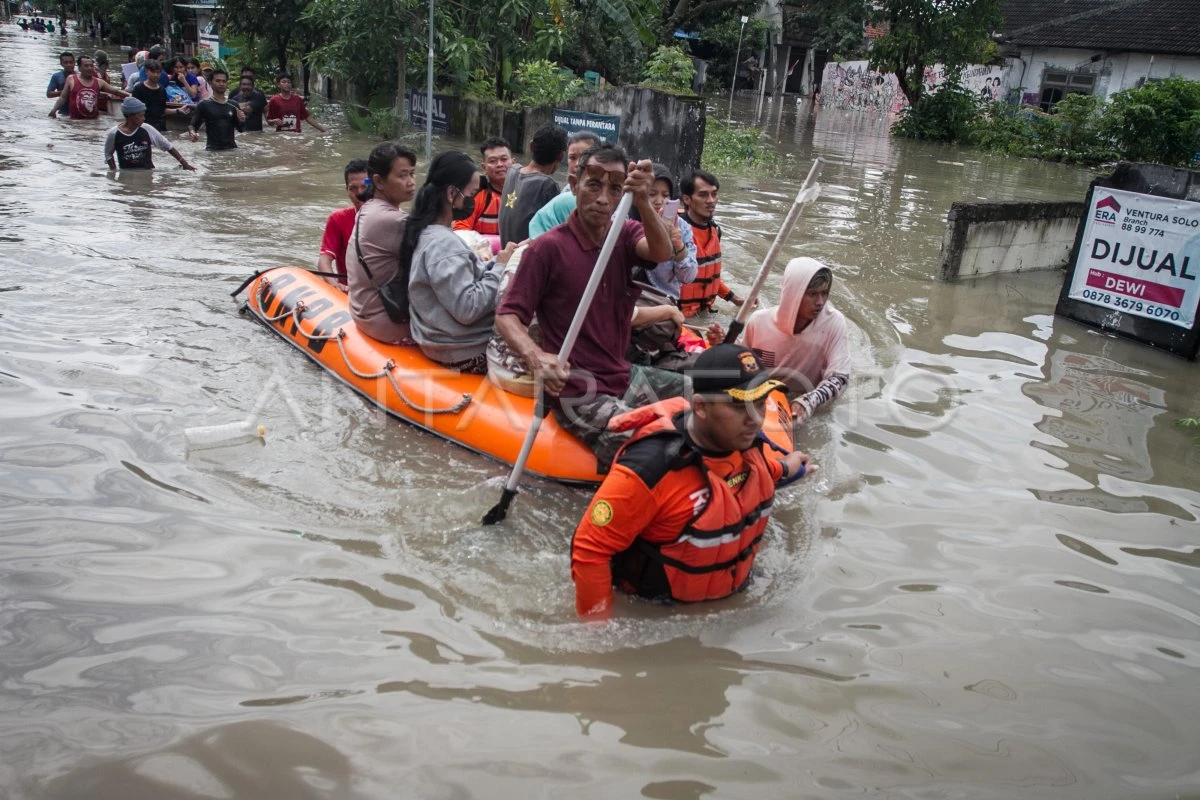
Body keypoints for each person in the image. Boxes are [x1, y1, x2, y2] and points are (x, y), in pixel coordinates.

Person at [570, 343, 815, 619]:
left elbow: (749, 474)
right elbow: (591, 550)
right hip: (660, 614)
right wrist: (597, 632)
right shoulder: (650, 470)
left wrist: (787, 467)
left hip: (734, 596)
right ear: (700, 407)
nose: (755, 418)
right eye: (739, 405)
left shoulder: (743, 441)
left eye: (759, 403)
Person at [495, 143, 685, 469]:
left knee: (701, 394)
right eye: (593, 184)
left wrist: (642, 199)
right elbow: (508, 316)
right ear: (573, 184)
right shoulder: (546, 249)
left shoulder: (624, 234)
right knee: (657, 445)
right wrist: (537, 358)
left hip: (623, 376)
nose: (602, 198)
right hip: (577, 392)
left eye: (614, 189)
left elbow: (661, 252)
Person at [404, 151, 518, 372]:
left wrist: (494, 264)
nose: (472, 200)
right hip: (462, 350)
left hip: (442, 339)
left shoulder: (427, 232)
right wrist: (502, 266)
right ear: (451, 193)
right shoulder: (443, 244)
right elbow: (468, 308)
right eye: (471, 193)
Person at [744, 258, 851, 426]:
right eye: (812, 294)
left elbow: (840, 378)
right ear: (793, 293)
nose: (820, 302)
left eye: (824, 293)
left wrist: (808, 401)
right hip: (765, 397)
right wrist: (721, 347)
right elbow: (743, 365)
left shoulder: (833, 323)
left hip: (805, 398)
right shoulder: (758, 322)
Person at [347, 142, 418, 345]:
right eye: (403, 175)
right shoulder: (391, 220)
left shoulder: (369, 208)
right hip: (388, 325)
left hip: (364, 314)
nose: (411, 182)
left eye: (412, 174)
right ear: (378, 181)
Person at [678, 169, 747, 317]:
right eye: (703, 195)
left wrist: (734, 299)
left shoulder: (715, 231)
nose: (710, 200)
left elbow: (710, 275)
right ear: (687, 199)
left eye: (714, 194)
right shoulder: (675, 233)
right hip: (678, 317)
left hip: (704, 314)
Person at [497, 122, 566, 246]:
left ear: (530, 146)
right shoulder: (548, 185)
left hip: (506, 251)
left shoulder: (512, 170)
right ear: (561, 156)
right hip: (526, 257)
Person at [526, 130, 601, 239]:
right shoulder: (566, 192)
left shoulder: (608, 196)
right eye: (572, 158)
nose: (577, 164)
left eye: (585, 157)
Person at [643, 164, 697, 299]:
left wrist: (678, 246)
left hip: (663, 300)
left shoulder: (682, 228)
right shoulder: (623, 219)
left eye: (665, 195)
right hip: (628, 300)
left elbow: (689, 277)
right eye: (652, 194)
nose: (659, 201)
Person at [317, 159, 370, 290]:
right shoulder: (338, 219)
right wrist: (335, 286)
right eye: (353, 188)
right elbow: (324, 260)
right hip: (347, 291)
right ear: (346, 190)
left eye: (365, 187)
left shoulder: (392, 220)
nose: (360, 194)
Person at [104, 97, 195, 171]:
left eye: (144, 115)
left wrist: (185, 164)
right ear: (130, 116)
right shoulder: (114, 133)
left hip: (147, 172)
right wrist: (114, 171)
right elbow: (108, 154)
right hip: (127, 173)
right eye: (140, 116)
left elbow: (168, 146)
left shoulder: (147, 129)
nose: (143, 118)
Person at [452, 136, 511, 240]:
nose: (499, 164)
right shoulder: (474, 195)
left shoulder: (524, 192)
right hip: (482, 253)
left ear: (513, 163)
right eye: (492, 161)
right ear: (484, 168)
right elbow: (461, 233)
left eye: (504, 159)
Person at [49, 55, 128, 119]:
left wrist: (130, 95)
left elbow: (116, 91)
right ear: (79, 67)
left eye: (91, 66)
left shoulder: (99, 82)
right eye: (86, 66)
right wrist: (53, 111)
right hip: (74, 121)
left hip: (93, 121)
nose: (89, 68)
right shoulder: (71, 79)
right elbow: (63, 97)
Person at [188, 69, 244, 151]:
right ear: (210, 83)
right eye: (218, 81)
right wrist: (193, 133)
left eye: (224, 81)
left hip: (232, 150)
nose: (221, 84)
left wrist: (242, 120)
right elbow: (192, 125)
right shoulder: (204, 105)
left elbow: (241, 129)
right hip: (212, 150)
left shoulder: (233, 105)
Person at [131, 60, 186, 131]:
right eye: (153, 72)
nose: (156, 75)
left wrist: (178, 110)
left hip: (159, 127)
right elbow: (133, 112)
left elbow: (162, 110)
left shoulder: (162, 90)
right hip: (143, 126)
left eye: (158, 72)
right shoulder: (138, 89)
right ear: (146, 72)